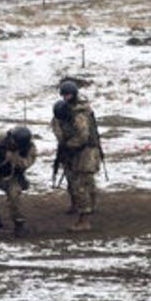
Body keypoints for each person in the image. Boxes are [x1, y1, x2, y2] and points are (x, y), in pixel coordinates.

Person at [51, 80, 103, 232]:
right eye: (64, 95)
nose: (66, 98)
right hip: (77, 150)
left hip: (86, 151)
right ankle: (85, 206)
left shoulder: (79, 113)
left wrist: (69, 146)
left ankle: (84, 218)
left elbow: (83, 136)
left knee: (82, 183)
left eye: (68, 95)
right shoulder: (64, 111)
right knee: (80, 180)